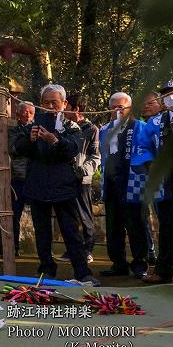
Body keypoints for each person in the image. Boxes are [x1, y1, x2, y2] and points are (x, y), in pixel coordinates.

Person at [12, 84, 99, 286]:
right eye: (45, 102)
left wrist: (55, 141)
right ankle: (47, 270)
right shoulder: (34, 123)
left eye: (54, 102)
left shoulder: (72, 125)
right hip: (37, 183)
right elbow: (16, 148)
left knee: (71, 232)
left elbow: (74, 149)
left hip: (64, 185)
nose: (50, 106)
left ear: (64, 103)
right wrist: (31, 141)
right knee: (42, 232)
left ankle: (82, 272)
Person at [98, 92, 148, 278]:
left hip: (133, 182)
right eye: (114, 107)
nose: (118, 110)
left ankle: (140, 263)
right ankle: (118, 262)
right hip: (111, 183)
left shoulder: (140, 127)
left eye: (122, 107)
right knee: (113, 226)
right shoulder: (104, 129)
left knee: (135, 224)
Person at [134, 81, 173, 284]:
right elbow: (142, 147)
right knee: (167, 225)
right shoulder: (155, 122)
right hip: (167, 179)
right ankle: (163, 271)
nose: (170, 97)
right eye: (166, 94)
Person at [58, 93, 99, 263]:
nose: (64, 109)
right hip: (65, 178)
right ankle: (72, 250)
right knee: (69, 216)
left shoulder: (91, 129)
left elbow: (95, 155)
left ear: (76, 109)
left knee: (85, 215)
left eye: (67, 106)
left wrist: (83, 170)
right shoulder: (63, 127)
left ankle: (87, 249)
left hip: (82, 179)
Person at [139, 92, 163, 264]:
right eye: (143, 103)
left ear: (161, 105)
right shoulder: (143, 126)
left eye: (151, 103)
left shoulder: (167, 122)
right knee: (147, 216)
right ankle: (151, 252)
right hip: (147, 179)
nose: (146, 106)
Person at [8, 101, 35, 256]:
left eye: (30, 113)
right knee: (14, 214)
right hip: (18, 177)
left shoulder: (39, 129)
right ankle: (14, 247)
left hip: (35, 178)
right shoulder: (14, 131)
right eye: (24, 112)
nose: (27, 115)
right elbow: (13, 149)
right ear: (18, 114)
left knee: (39, 213)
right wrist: (28, 137)